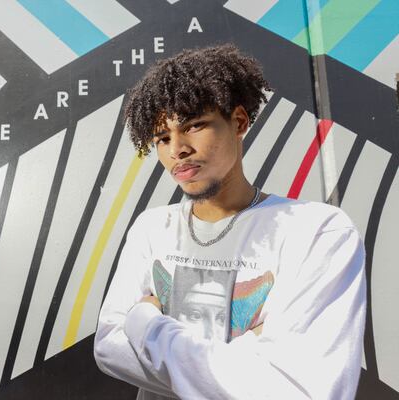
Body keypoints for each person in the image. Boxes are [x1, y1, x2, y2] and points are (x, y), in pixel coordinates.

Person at [93, 43, 366, 400]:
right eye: (162, 138)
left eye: (194, 126)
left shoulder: (317, 231)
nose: (177, 150)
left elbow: (303, 391)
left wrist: (145, 326)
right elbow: (109, 349)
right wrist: (252, 353)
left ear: (238, 121)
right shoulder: (151, 229)